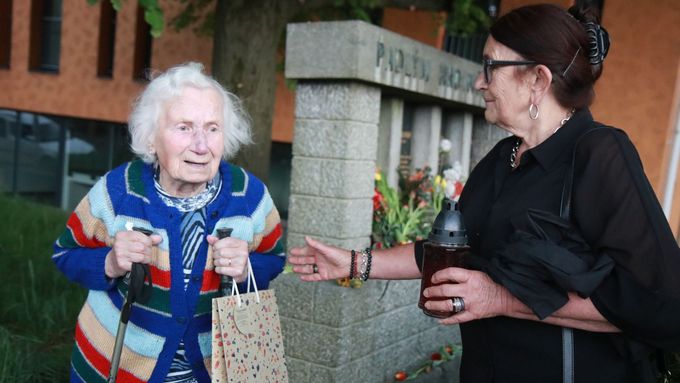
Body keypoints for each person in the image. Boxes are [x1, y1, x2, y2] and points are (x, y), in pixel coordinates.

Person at [289, 4, 680, 382]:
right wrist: (355, 263)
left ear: (537, 80)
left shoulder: (600, 154)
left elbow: (659, 304)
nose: (480, 81)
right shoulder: (503, 156)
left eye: (490, 66)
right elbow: (446, 248)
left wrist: (501, 299)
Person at [52, 62, 286, 383]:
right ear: (151, 139)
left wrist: (246, 269)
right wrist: (110, 261)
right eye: (184, 127)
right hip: (118, 366)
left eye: (213, 128)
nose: (201, 145)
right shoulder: (118, 190)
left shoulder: (250, 196)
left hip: (215, 370)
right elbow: (65, 254)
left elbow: (275, 260)